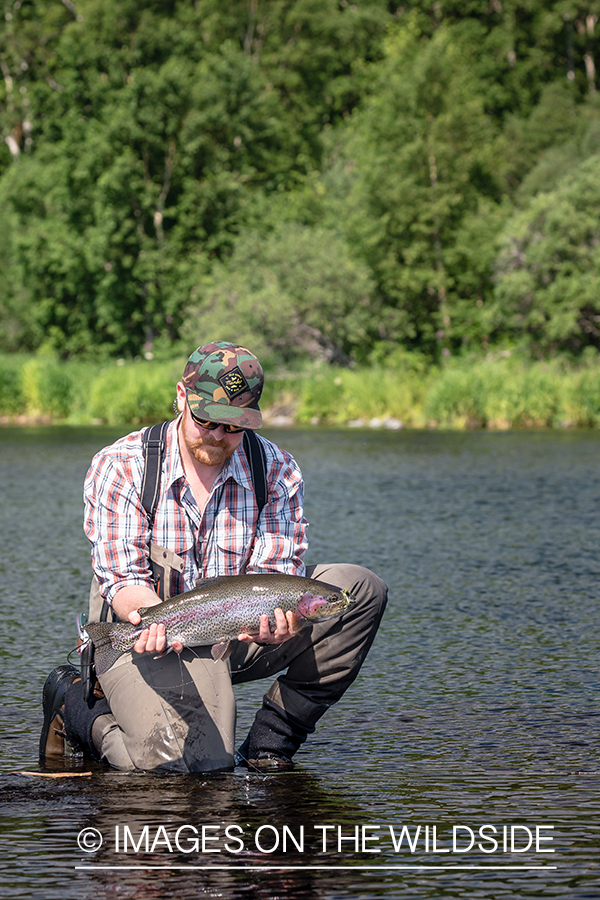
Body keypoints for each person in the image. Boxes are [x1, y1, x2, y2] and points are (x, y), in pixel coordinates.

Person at [39, 341, 387, 772]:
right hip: (142, 635)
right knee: (185, 765)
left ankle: (269, 745)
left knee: (360, 590)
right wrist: (150, 622)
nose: (219, 436)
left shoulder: (276, 469)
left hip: (233, 630)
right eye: (206, 421)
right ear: (181, 398)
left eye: (234, 427)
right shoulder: (123, 465)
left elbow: (276, 573)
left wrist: (282, 625)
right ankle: (78, 709)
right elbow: (123, 581)